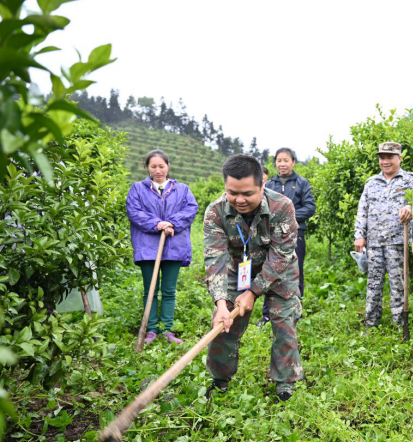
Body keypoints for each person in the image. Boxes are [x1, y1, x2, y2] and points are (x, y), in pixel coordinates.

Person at [203, 154, 304, 401]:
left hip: (279, 270)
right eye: (232, 193)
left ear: (262, 186)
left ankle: (285, 384)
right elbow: (215, 260)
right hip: (239, 270)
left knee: (284, 322)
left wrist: (253, 292)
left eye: (247, 193)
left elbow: (281, 254)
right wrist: (220, 303)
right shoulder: (215, 212)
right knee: (224, 324)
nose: (239, 200)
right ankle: (220, 380)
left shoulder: (283, 207)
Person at [126, 149, 198, 345]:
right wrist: (157, 224)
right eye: (153, 166)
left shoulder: (182, 189)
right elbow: (134, 211)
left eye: (161, 166)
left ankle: (167, 330)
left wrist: (172, 223)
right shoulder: (138, 188)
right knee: (150, 290)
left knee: (169, 291)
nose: (158, 170)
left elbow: (191, 208)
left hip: (174, 246)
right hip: (147, 246)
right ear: (147, 168)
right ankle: (150, 330)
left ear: (168, 166)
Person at [354, 142, 413, 328]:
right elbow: (362, 210)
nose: (385, 161)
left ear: (399, 158)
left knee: (398, 285)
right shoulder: (371, 182)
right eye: (382, 158)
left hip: (398, 242)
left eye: (390, 157)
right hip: (374, 243)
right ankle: (371, 323)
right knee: (373, 284)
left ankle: (399, 324)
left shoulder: (411, 180)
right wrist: (359, 234)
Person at [258, 148, 316, 326]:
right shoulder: (269, 185)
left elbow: (310, 207)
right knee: (270, 271)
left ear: (293, 162)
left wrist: (287, 216)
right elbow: (262, 207)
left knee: (295, 271)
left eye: (286, 160)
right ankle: (268, 315)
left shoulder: (301, 183)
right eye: (279, 160)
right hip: (272, 236)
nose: (282, 164)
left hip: (295, 234)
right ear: (275, 163)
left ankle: (295, 312)